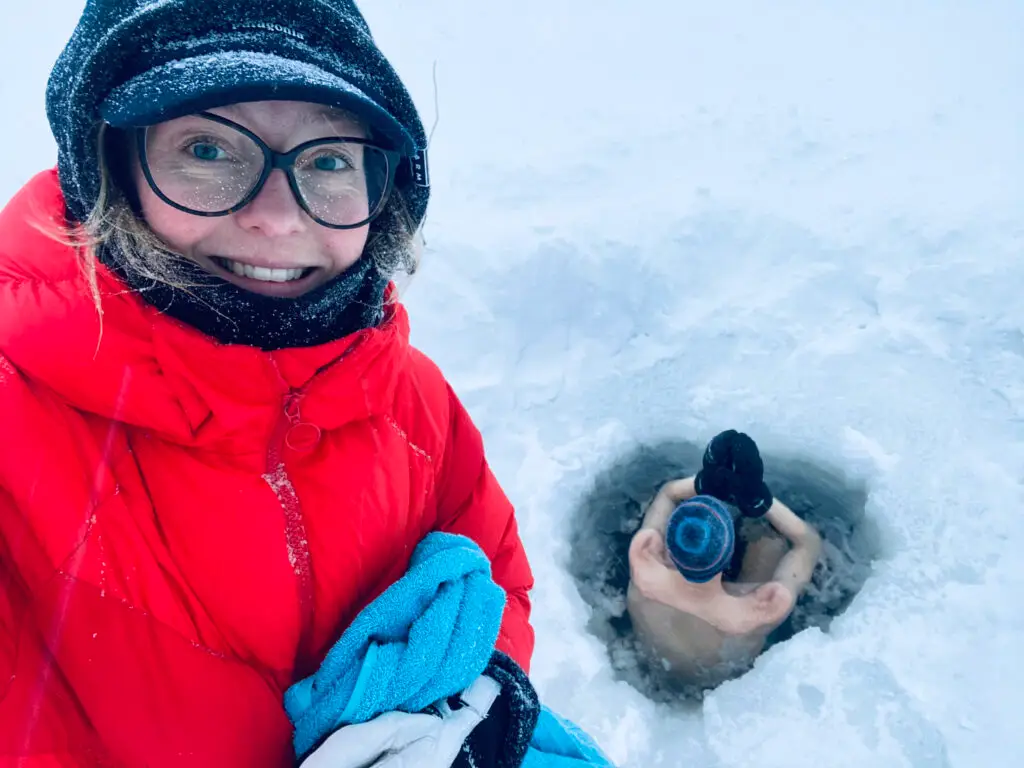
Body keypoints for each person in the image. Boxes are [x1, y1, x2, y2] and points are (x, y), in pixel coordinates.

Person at [0, 1, 534, 764]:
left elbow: (494, 574)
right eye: (208, 150)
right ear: (107, 168)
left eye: (328, 160)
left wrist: (473, 701)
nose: (278, 219)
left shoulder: (411, 400)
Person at [626, 431, 822, 690]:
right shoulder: (760, 609)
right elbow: (808, 541)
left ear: (668, 544)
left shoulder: (643, 562)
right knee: (769, 543)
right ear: (728, 555)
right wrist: (759, 499)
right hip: (723, 689)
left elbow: (669, 493)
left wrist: (703, 481)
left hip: (657, 671)